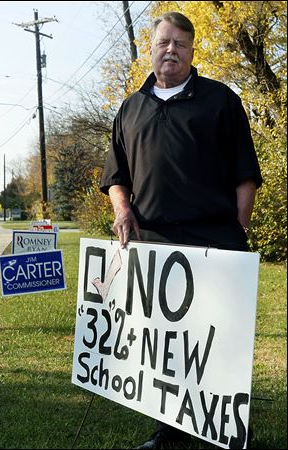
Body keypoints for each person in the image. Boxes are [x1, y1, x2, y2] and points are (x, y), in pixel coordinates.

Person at [100, 11, 262, 450]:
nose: (171, 50)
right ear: (150, 49)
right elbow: (117, 175)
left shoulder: (221, 100)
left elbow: (245, 177)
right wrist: (122, 210)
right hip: (153, 249)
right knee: (165, 353)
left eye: (181, 44)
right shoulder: (130, 107)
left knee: (214, 344)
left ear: (192, 51)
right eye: (163, 42)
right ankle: (167, 434)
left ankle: (223, 431)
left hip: (214, 244)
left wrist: (236, 232)